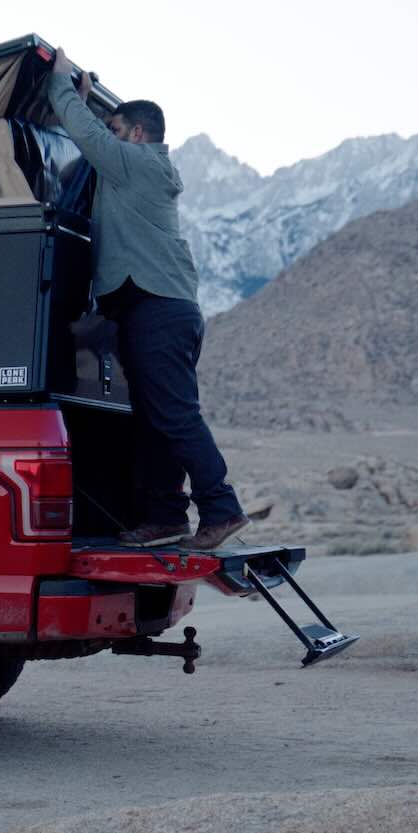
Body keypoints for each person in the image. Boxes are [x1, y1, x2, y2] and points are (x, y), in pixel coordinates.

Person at [43, 46, 248, 551]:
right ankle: (165, 516)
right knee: (155, 418)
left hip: (159, 308)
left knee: (174, 414)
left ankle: (221, 508)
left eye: (116, 131)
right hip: (152, 307)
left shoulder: (138, 162)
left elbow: (87, 136)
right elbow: (96, 137)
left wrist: (59, 84)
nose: (109, 140)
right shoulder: (131, 169)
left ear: (137, 134)